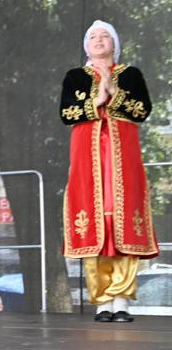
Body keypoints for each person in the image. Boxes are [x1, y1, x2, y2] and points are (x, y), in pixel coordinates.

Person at [61, 20, 159, 323]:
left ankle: (121, 300)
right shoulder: (75, 76)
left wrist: (115, 94)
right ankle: (102, 301)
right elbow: (67, 113)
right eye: (93, 36)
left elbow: (143, 110)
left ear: (114, 44)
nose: (99, 40)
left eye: (105, 36)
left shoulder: (131, 74)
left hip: (122, 157)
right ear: (86, 45)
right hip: (87, 158)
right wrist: (97, 101)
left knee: (122, 222)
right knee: (93, 223)